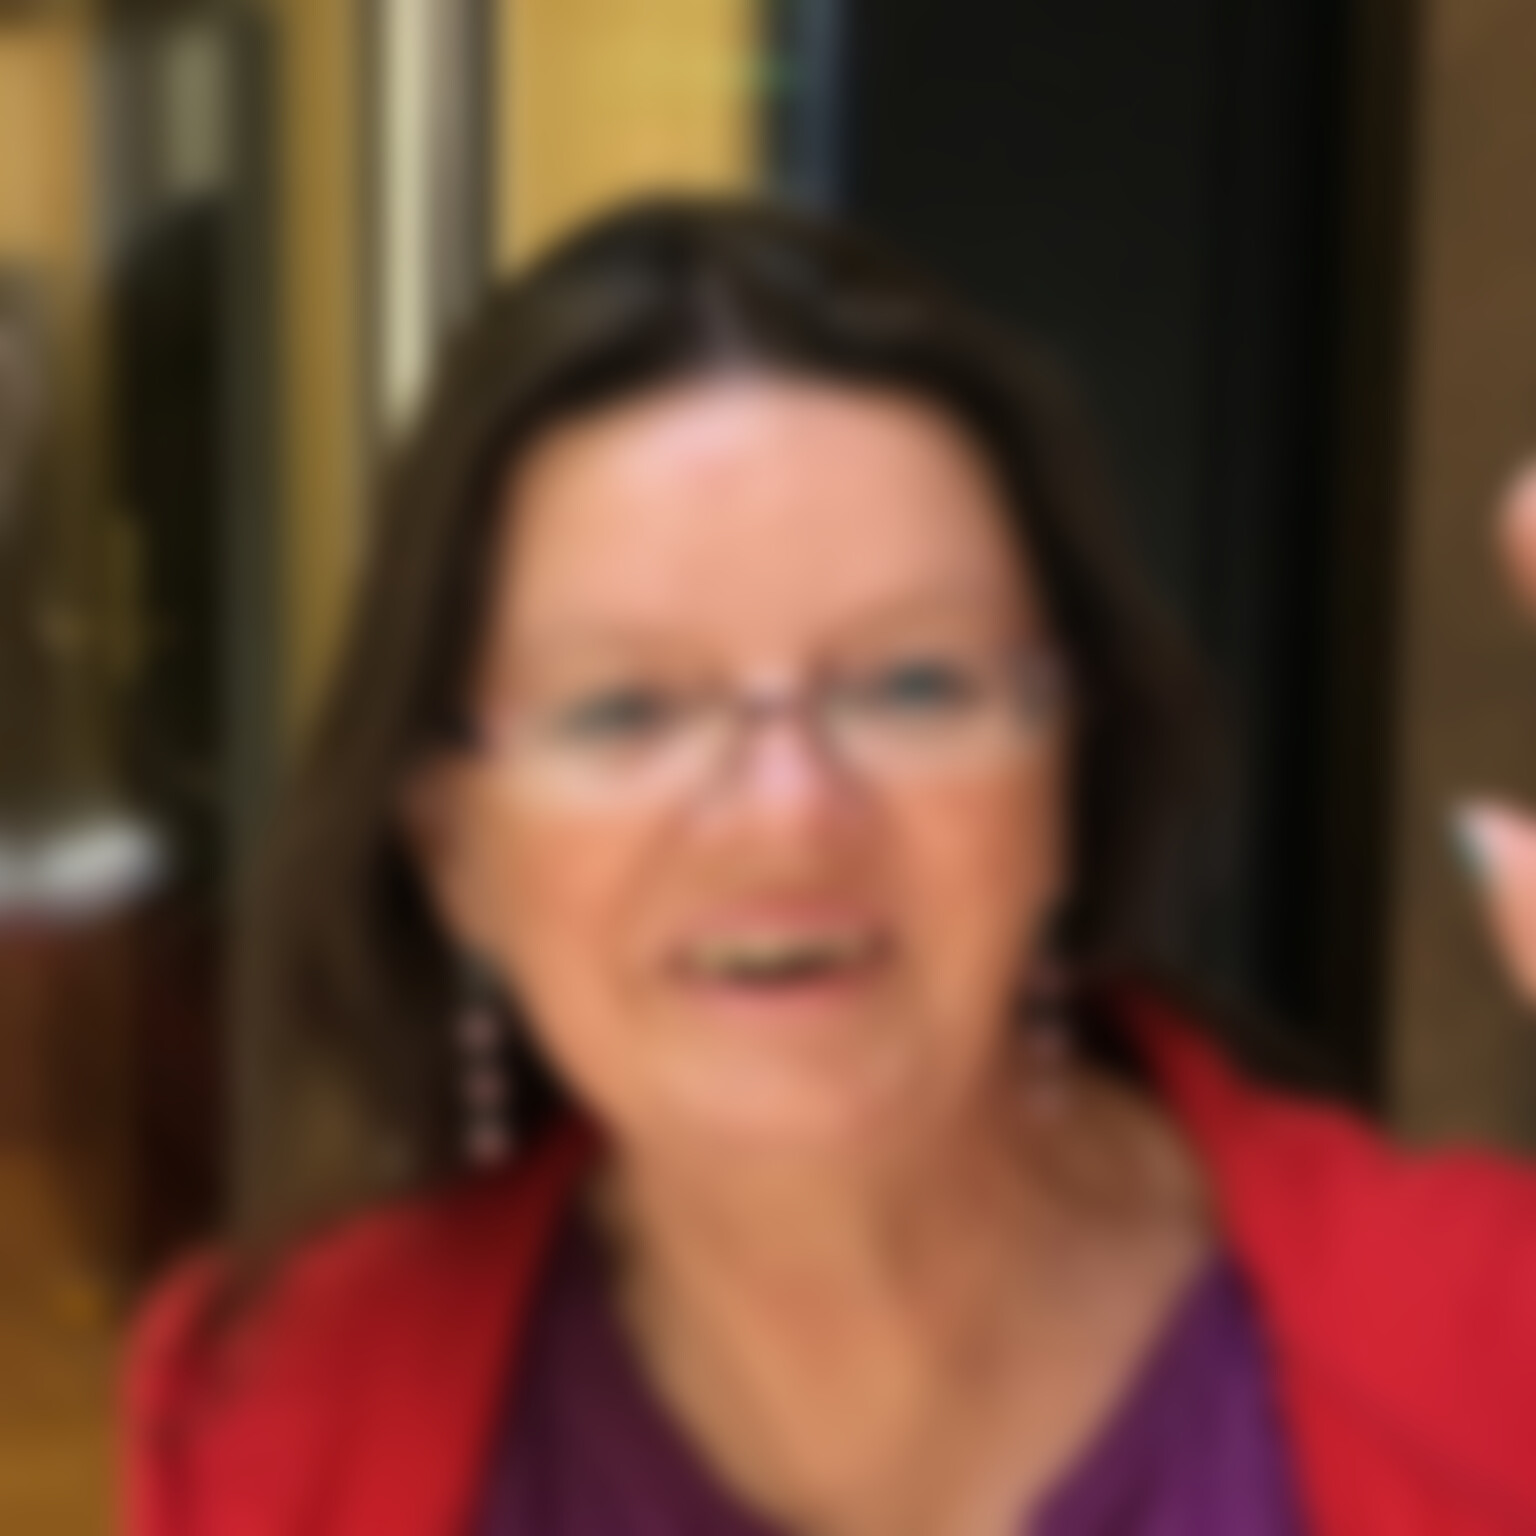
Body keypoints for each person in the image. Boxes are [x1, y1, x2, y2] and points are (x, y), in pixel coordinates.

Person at [126, 196, 1536, 1536]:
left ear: (1066, 778)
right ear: (452, 848)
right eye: (625, 708)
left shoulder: (1495, 1356)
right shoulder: (261, 1418)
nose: (786, 815)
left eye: (914, 685)